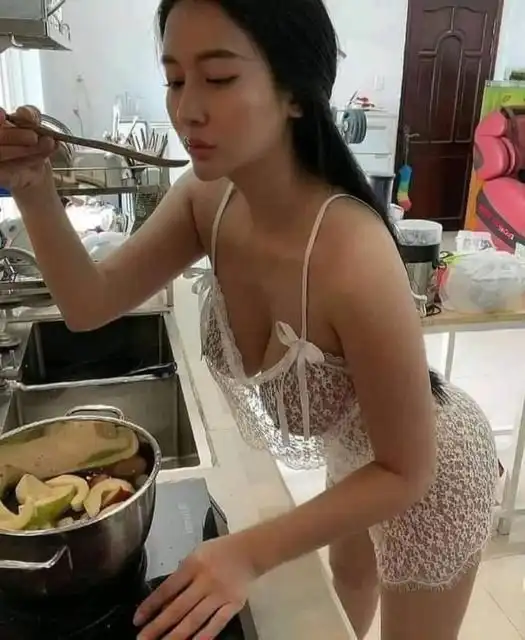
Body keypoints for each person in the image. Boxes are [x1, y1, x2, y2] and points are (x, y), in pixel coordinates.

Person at [0, 0, 498, 638]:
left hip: (430, 473)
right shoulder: (208, 200)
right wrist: (34, 187)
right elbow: (89, 304)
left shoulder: (351, 254)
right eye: (175, 78)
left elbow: (407, 470)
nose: (187, 109)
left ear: (294, 93)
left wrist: (248, 552)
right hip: (355, 459)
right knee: (339, 608)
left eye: (219, 77)